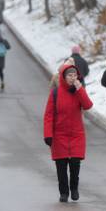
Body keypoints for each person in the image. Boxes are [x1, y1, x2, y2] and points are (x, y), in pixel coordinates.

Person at [43, 64, 94, 202]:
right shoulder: (55, 93)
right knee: (61, 166)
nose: (72, 78)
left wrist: (80, 89)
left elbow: (88, 105)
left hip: (76, 134)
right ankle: (63, 193)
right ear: (63, 78)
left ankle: (74, 188)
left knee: (75, 164)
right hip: (59, 134)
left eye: (74, 75)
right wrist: (48, 134)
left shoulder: (79, 92)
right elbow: (48, 115)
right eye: (69, 76)